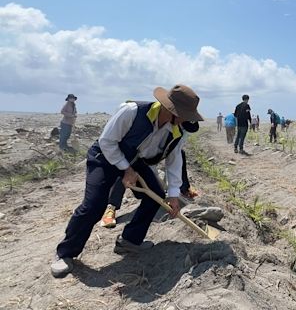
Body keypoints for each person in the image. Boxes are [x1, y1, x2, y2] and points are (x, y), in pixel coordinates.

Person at [50, 84, 204, 278]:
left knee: (156, 196)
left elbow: (174, 163)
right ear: (168, 109)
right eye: (183, 114)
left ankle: (129, 241)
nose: (184, 119)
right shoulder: (132, 111)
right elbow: (107, 141)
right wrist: (125, 169)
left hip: (136, 161)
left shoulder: (176, 132)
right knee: (94, 205)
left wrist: (173, 195)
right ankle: (65, 253)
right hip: (105, 157)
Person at [100, 122, 200, 228]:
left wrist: (172, 192)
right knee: (125, 171)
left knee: (180, 155)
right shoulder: (155, 126)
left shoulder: (180, 133)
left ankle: (184, 189)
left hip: (149, 161)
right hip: (133, 155)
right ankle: (111, 208)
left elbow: (174, 159)